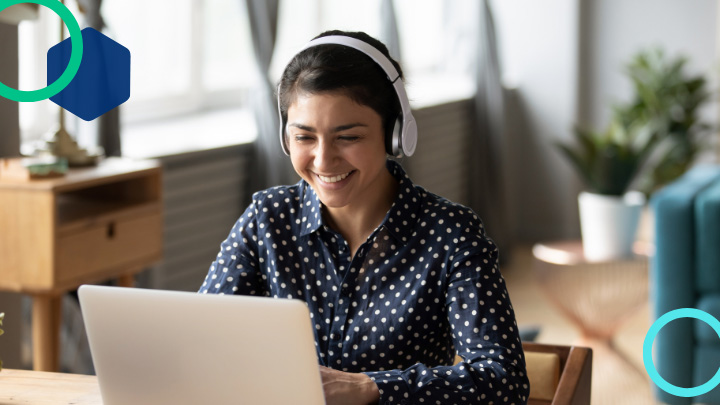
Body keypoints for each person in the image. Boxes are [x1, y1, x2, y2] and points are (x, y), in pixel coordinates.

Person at [199, 30, 530, 405]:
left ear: (395, 135)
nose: (323, 161)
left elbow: (504, 381)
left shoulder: (451, 234)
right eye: (305, 137)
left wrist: (369, 387)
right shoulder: (266, 219)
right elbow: (203, 339)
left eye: (348, 137)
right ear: (284, 137)